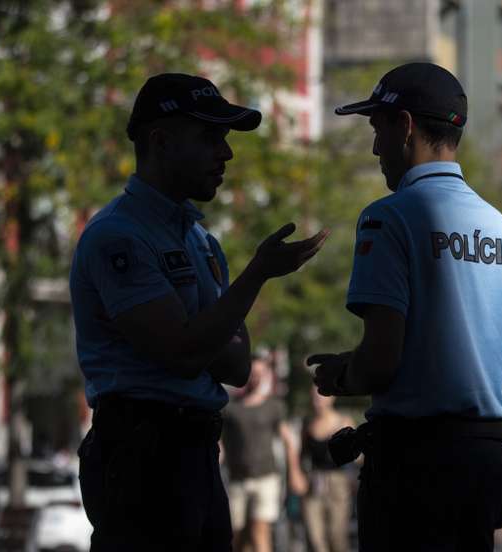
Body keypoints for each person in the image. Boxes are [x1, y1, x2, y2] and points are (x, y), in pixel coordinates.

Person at [70, 72, 328, 551]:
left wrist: (207, 325)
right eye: (210, 137)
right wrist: (255, 277)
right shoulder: (118, 236)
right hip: (140, 453)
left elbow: (235, 365)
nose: (225, 153)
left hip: (195, 453)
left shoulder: (199, 240)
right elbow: (185, 353)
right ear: (160, 141)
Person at [307, 62, 502, 551]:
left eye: (378, 129)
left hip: (413, 468)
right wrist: (468, 379)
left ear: (406, 125)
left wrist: (341, 376)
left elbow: (380, 360)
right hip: (484, 460)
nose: (376, 148)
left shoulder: (388, 218)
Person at [221, 354, 305, 552]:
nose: (256, 378)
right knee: (237, 536)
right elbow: (221, 444)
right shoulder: (230, 408)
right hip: (237, 480)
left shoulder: (273, 406)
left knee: (260, 532)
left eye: (260, 373)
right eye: (253, 373)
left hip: (266, 478)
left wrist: (295, 472)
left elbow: (288, 440)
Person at [298, 385, 355, 552]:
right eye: (314, 397)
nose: (318, 400)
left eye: (321, 396)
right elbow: (301, 455)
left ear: (331, 397)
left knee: (337, 536)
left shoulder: (344, 421)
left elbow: (356, 457)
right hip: (314, 481)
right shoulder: (307, 424)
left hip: (338, 482)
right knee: (315, 538)